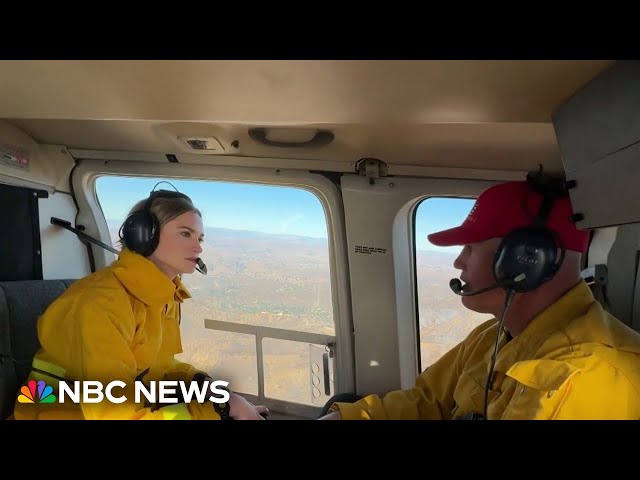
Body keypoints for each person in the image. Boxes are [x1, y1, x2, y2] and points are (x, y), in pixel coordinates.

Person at [319, 178, 640, 420]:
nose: (459, 261)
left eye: (470, 247)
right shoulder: (496, 335)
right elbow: (428, 401)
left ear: (526, 260)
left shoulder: (576, 378)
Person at [13, 187, 269, 420]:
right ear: (143, 235)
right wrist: (219, 411)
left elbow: (159, 367)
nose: (197, 248)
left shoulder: (160, 296)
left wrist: (213, 392)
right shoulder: (101, 303)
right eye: (185, 233)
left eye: (199, 238)